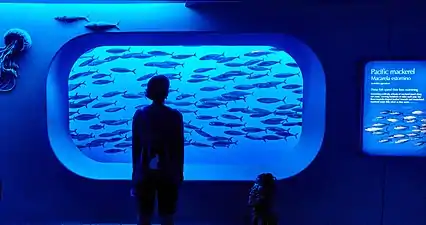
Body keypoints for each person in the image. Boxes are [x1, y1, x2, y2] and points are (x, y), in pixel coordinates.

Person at [131, 75, 184, 225]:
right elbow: (179, 148)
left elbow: (136, 147)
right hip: (168, 173)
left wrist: (135, 174)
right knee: (167, 216)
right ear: (166, 92)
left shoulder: (140, 114)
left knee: (144, 216)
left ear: (149, 92)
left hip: (145, 172)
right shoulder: (175, 116)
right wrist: (179, 173)